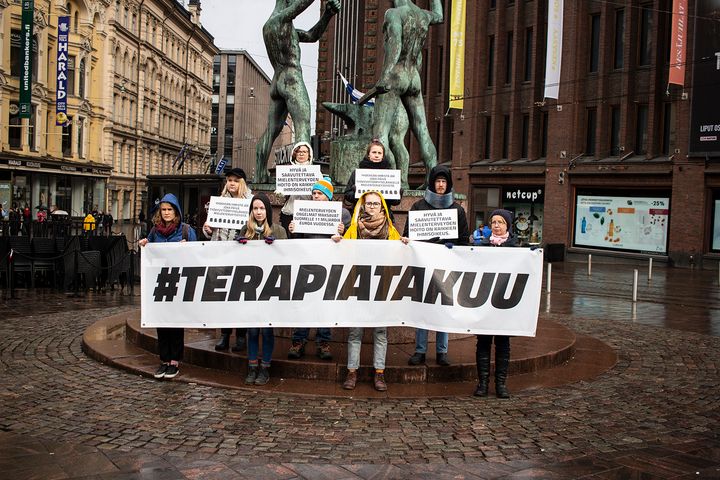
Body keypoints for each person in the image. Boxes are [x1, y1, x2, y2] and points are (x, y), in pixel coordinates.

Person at [254, 0, 341, 182]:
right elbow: (299, 6)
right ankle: (304, 178)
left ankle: (260, 175)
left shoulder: (273, 27)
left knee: (271, 130)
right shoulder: (279, 20)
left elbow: (311, 35)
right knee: (303, 124)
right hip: (291, 77)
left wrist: (327, 15)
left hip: (277, 81)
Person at [334, 191, 408, 392]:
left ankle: (379, 373)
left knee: (381, 332)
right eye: (369, 204)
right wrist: (337, 241)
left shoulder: (390, 229)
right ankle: (352, 372)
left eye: (376, 204)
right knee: (355, 331)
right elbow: (344, 251)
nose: (373, 207)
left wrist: (404, 245)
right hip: (358, 284)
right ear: (363, 205)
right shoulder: (354, 228)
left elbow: (397, 255)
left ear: (382, 206)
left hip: (382, 286)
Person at [403, 165, 470, 367]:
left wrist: (453, 247)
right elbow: (409, 234)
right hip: (423, 265)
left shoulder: (456, 209)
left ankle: (442, 351)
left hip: (446, 267)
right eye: (437, 181)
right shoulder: (418, 207)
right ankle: (420, 350)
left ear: (448, 184)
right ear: (432, 183)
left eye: (443, 182)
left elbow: (464, 239)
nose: (440, 185)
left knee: (443, 308)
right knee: (423, 307)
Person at [372, 0, 443, 183]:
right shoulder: (423, 15)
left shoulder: (394, 14)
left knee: (381, 131)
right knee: (422, 130)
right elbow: (440, 16)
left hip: (396, 74)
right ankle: (432, 181)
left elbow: (395, 45)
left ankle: (384, 180)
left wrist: (385, 77)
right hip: (414, 76)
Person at [286, 175, 350, 361]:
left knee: (325, 305)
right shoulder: (303, 211)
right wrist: (293, 231)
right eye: (313, 193)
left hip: (329, 266)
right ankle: (299, 340)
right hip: (307, 265)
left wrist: (342, 232)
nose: (315, 196)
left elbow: (348, 243)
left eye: (320, 193)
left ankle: (323, 342)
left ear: (328, 196)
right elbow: (296, 243)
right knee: (305, 303)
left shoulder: (342, 214)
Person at [138, 193, 197, 380]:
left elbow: (197, 256)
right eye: (163, 210)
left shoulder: (186, 231)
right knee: (162, 323)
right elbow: (150, 254)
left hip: (179, 283)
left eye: (169, 209)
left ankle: (174, 361)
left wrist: (187, 248)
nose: (166, 213)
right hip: (160, 283)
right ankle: (164, 359)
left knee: (175, 323)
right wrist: (145, 244)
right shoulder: (155, 232)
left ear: (176, 211)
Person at [236, 193, 288, 386]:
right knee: (252, 329)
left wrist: (276, 248)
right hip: (250, 287)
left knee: (266, 331)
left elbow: (287, 257)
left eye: (262, 208)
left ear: (267, 210)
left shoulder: (279, 230)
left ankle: (265, 367)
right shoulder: (245, 230)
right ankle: (251, 366)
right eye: (255, 208)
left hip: (270, 287)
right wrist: (239, 245)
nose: (258, 212)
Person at [202, 167, 253, 353]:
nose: (231, 183)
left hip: (241, 257)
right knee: (223, 297)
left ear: (242, 183)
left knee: (240, 297)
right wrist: (207, 228)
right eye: (229, 180)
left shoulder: (250, 202)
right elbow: (210, 230)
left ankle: (240, 335)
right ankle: (224, 334)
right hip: (221, 255)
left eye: (235, 180)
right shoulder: (220, 203)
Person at [473, 209, 516, 399]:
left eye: (501, 222)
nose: (496, 226)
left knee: (503, 343)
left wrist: (533, 255)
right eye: (494, 222)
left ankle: (501, 384)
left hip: (504, 303)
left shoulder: (516, 247)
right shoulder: (481, 245)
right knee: (483, 341)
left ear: (508, 226)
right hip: (485, 302)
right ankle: (482, 383)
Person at [343, 139, 403, 215]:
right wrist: (356, 193)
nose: (376, 155)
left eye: (379, 153)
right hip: (361, 215)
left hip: (383, 216)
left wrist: (398, 194)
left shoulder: (390, 174)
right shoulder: (358, 173)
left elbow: (395, 202)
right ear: (369, 154)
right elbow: (347, 194)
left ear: (383, 156)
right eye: (374, 152)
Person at [280, 142, 314, 237]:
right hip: (290, 212)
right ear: (294, 154)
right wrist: (280, 192)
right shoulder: (287, 171)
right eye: (298, 152)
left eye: (304, 152)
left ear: (309, 154)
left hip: (308, 214)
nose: (301, 154)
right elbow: (282, 190)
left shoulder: (316, 172)